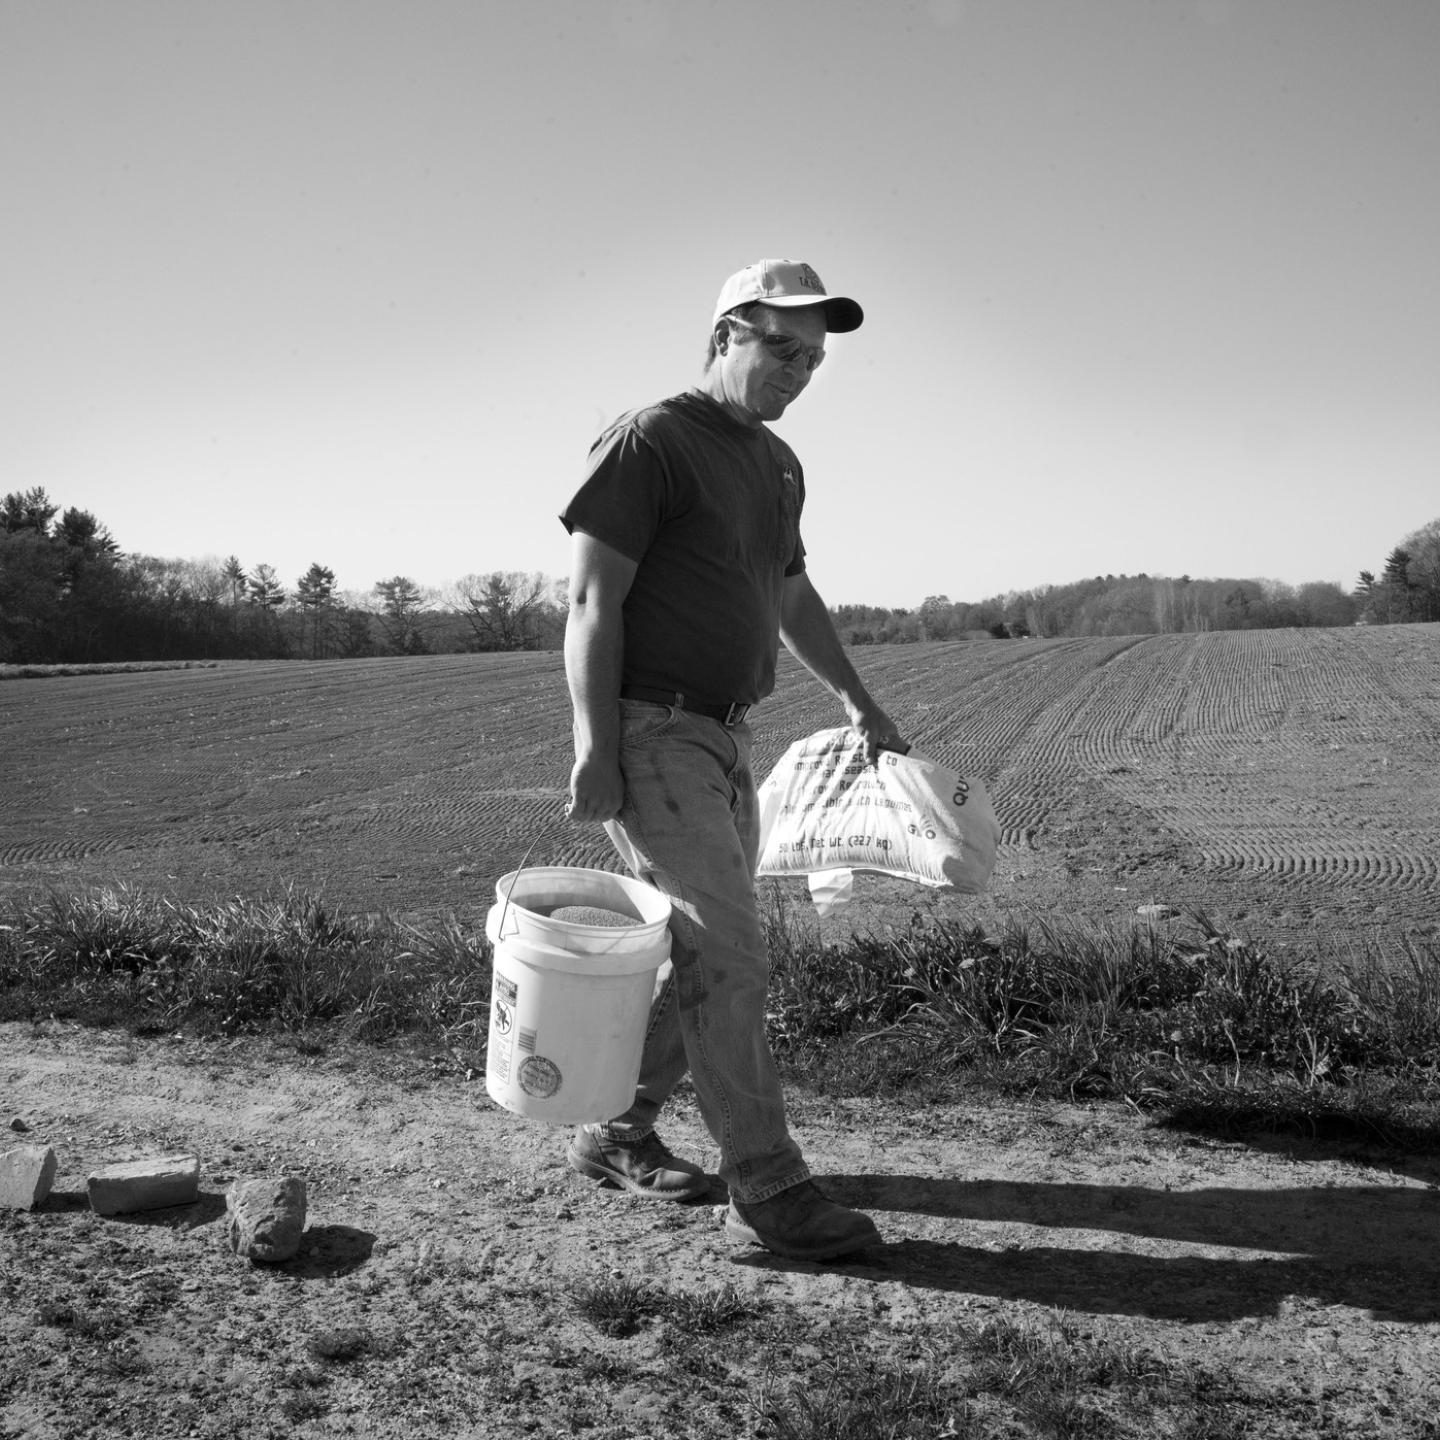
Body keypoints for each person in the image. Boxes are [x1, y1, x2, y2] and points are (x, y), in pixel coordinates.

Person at [558, 258, 906, 1261]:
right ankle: (766, 1189)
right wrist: (594, 745)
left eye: (815, 359)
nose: (800, 371)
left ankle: (614, 1132)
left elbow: (791, 596)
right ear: (725, 337)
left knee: (701, 952)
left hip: (723, 738)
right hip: (652, 731)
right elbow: (591, 602)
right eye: (782, 347)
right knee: (733, 954)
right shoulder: (651, 441)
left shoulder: (777, 465)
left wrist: (860, 700)